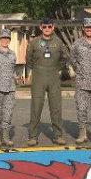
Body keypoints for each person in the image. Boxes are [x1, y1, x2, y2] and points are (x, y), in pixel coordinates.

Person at [26, 18, 69, 146]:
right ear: (40, 27)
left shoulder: (58, 42)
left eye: (49, 26)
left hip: (54, 75)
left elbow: (64, 57)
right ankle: (33, 136)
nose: (47, 29)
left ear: (52, 27)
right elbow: (28, 59)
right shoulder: (34, 42)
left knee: (56, 107)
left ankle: (58, 135)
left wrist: (57, 68)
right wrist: (37, 69)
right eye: (44, 27)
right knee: (36, 106)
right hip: (38, 75)